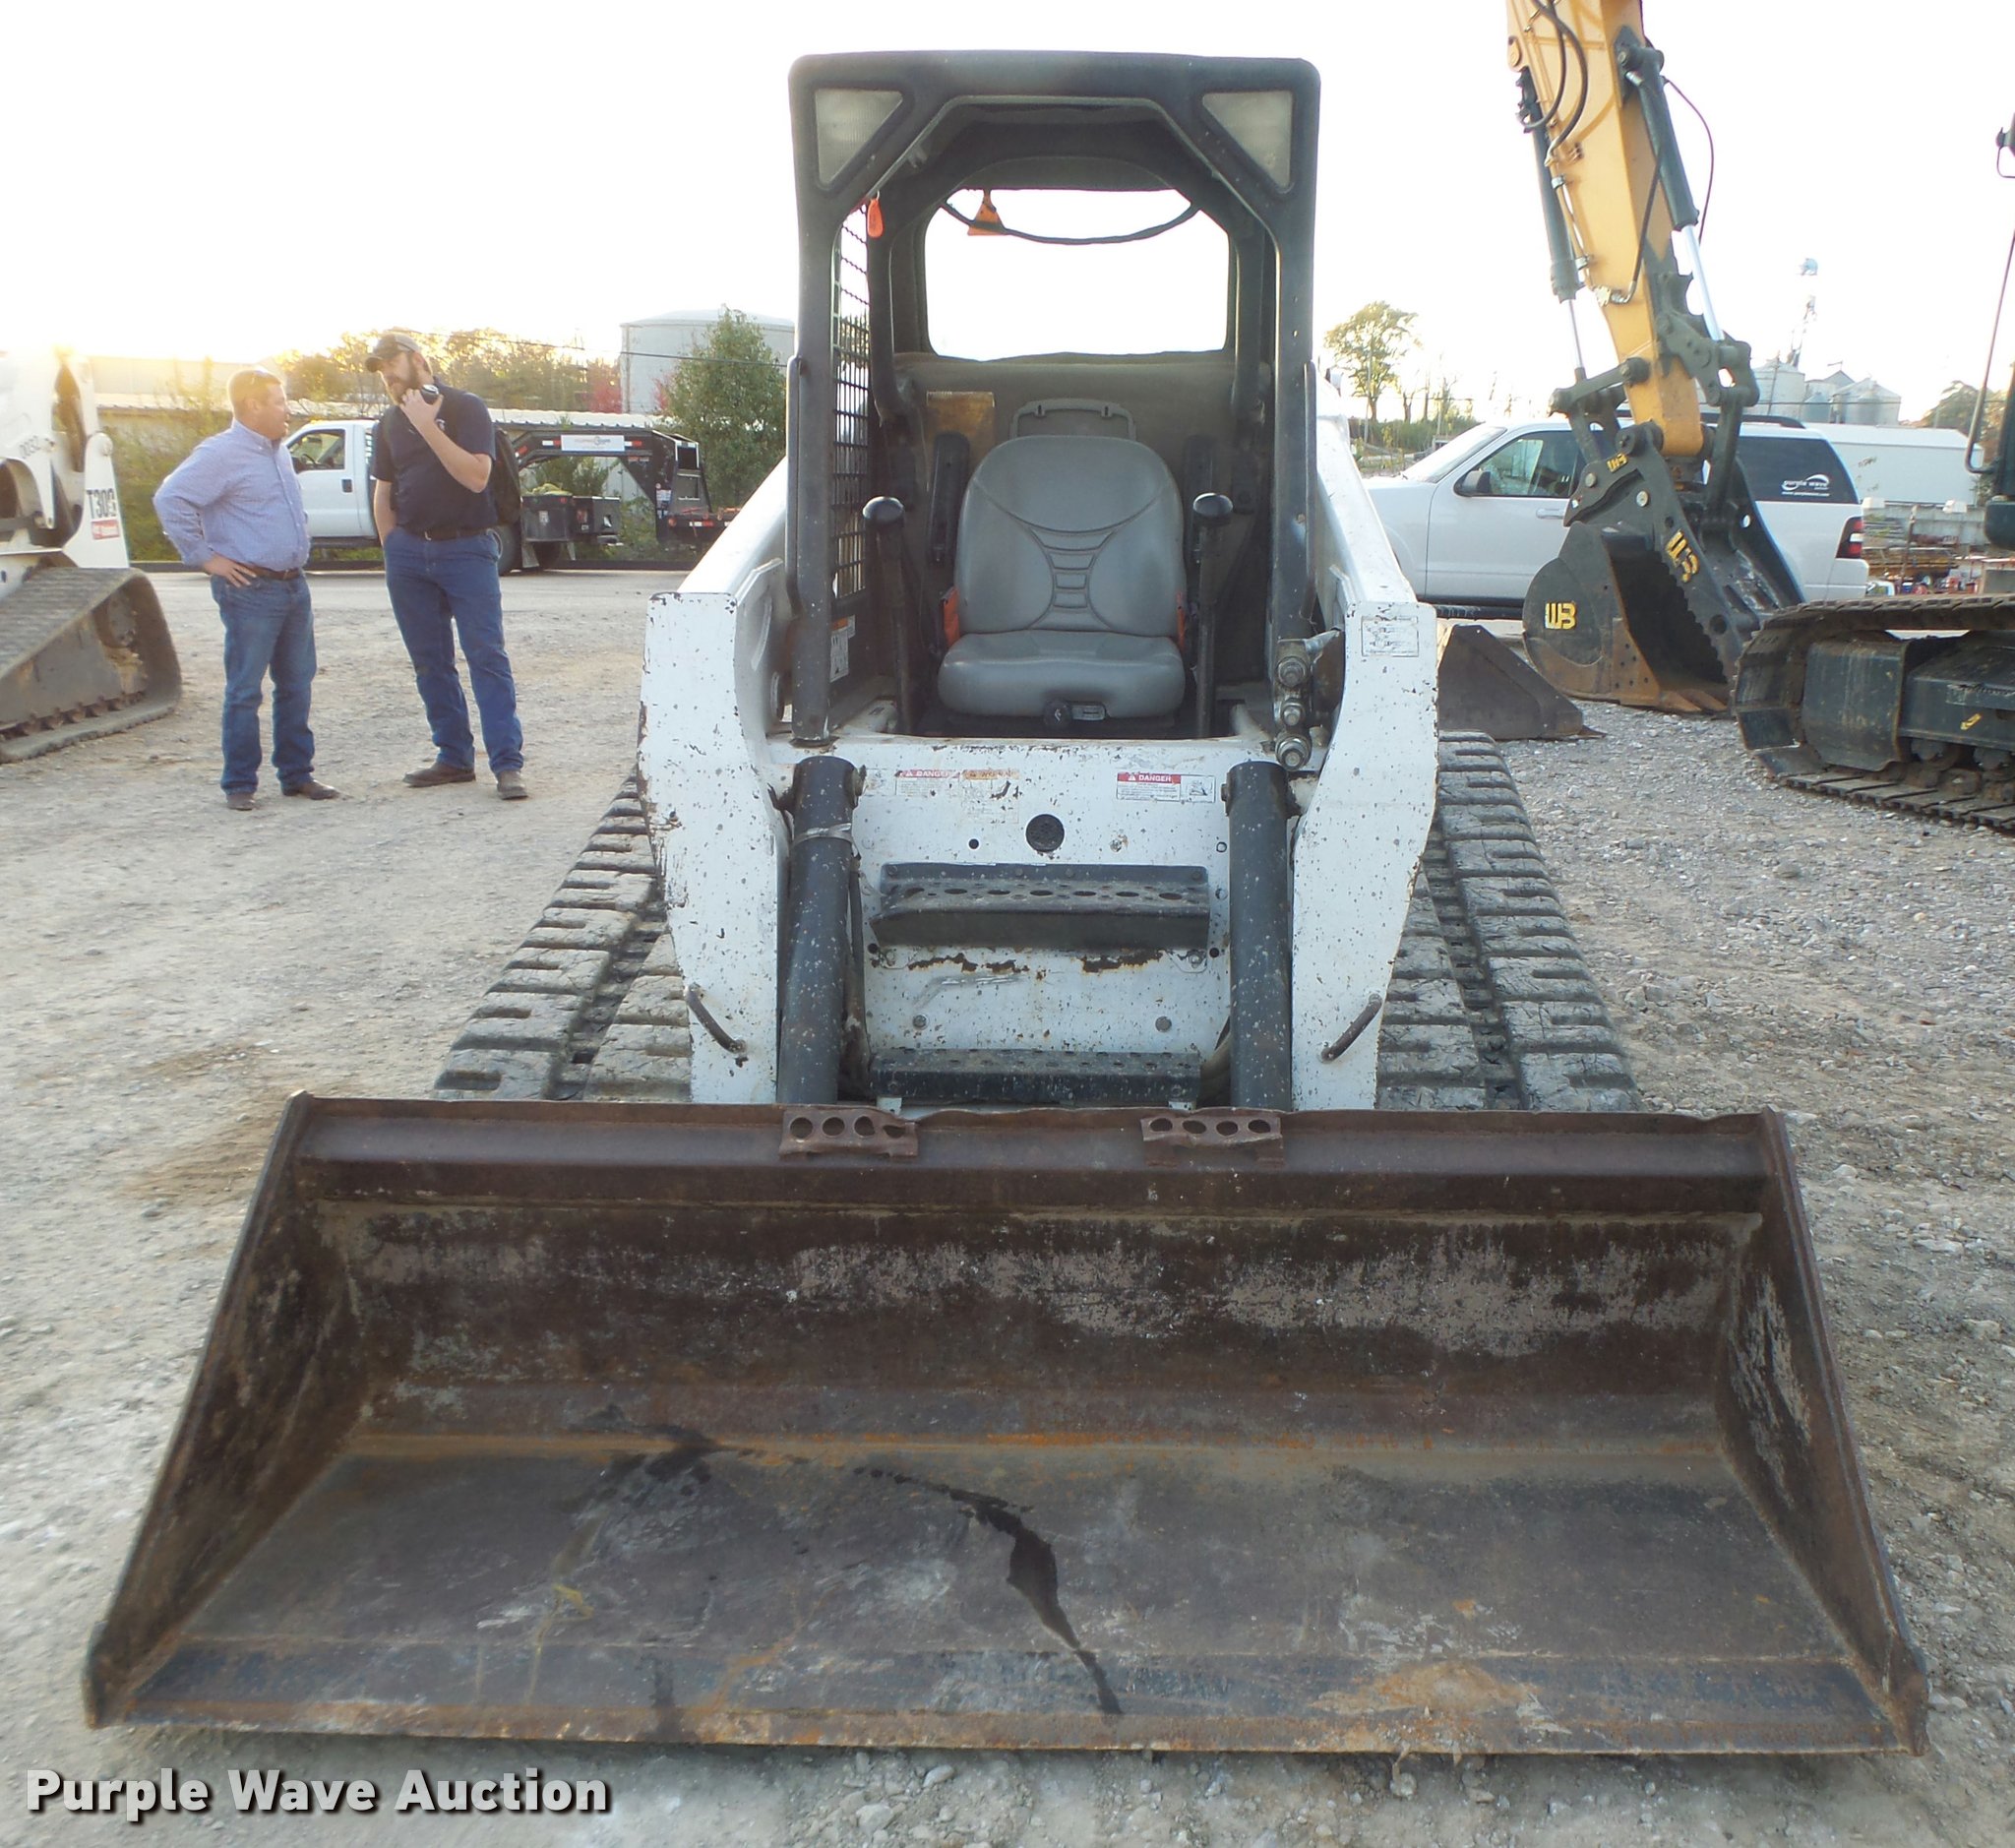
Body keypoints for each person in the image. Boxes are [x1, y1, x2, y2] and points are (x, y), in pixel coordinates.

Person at [153, 368, 338, 810]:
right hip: (250, 589)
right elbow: (170, 499)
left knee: (296, 684)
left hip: (292, 586)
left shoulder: (277, 452)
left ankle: (297, 775)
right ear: (252, 405)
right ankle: (239, 784)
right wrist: (204, 557)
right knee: (245, 690)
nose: (287, 410)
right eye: (279, 401)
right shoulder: (221, 453)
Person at [365, 333, 526, 800]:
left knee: (486, 658)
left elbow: (476, 477)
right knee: (430, 663)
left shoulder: (466, 409)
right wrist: (393, 547)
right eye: (380, 369)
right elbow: (384, 489)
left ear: (418, 360)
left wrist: (428, 426)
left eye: (391, 363)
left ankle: (507, 765)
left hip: (466, 550)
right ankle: (454, 757)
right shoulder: (388, 424)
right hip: (409, 554)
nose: (387, 375)